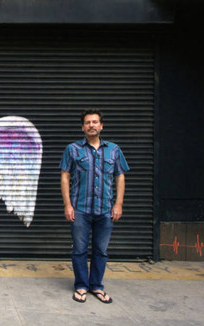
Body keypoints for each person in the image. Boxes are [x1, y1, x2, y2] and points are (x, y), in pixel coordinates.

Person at [59, 108, 129, 304]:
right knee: (79, 250)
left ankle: (97, 286)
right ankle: (81, 286)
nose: (92, 125)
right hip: (80, 208)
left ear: (101, 126)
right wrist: (67, 205)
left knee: (101, 250)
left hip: (105, 209)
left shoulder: (113, 149)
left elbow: (120, 176)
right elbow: (65, 176)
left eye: (95, 122)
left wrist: (119, 204)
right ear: (83, 127)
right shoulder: (73, 149)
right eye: (88, 122)